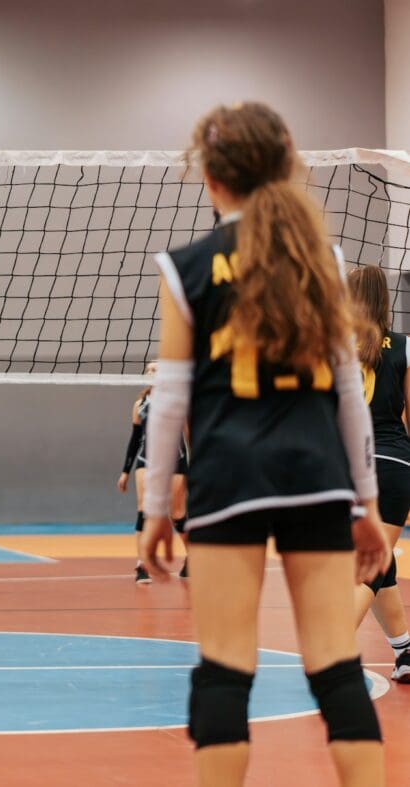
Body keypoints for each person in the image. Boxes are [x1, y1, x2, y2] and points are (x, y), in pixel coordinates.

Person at [140, 102, 388, 786]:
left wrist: (157, 507)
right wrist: (366, 502)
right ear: (284, 169)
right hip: (316, 475)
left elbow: (169, 400)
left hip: (228, 478)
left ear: (211, 179)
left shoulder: (184, 267)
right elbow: (349, 392)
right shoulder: (322, 259)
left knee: (224, 668)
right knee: (336, 666)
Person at [347, 265, 410, 682]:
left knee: (376, 563)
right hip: (391, 465)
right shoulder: (404, 347)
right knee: (373, 563)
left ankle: (404, 651)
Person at [118, 361, 189, 584]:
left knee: (177, 514)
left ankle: (191, 556)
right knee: (143, 511)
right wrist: (125, 471)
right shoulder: (140, 404)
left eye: (157, 370)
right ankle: (142, 565)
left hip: (175, 460)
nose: (152, 373)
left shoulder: (179, 402)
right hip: (146, 460)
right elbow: (135, 439)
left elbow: (189, 435)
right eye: (149, 370)